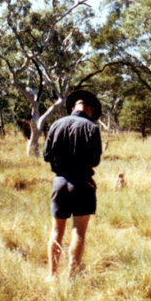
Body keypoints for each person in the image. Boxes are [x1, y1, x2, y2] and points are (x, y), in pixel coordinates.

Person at [43, 89, 103, 278]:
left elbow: (46, 156)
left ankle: (52, 276)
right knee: (78, 233)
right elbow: (95, 161)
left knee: (56, 232)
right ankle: (72, 275)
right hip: (83, 184)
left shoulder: (56, 125)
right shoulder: (92, 128)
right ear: (91, 109)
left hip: (59, 183)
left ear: (72, 107)